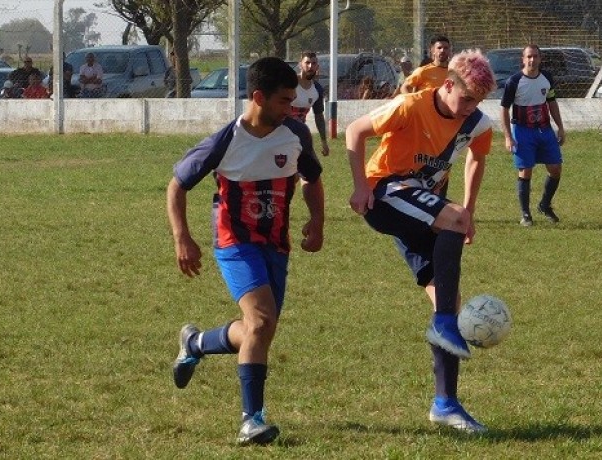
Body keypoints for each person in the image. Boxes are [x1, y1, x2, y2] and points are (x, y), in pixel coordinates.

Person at [167, 57, 325, 446]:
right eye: (284, 102)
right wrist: (182, 238)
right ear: (258, 97)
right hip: (234, 241)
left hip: (276, 243)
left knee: (260, 328)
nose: (292, 109)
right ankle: (251, 420)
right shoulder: (226, 140)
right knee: (261, 321)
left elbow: (311, 177)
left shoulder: (295, 134)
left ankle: (196, 343)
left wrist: (317, 219)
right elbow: (176, 186)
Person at [345, 49, 496, 434]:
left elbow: (476, 160)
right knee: (448, 306)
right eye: (465, 99)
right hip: (386, 192)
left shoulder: (477, 122)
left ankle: (445, 403)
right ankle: (445, 325)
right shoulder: (410, 106)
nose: (469, 109)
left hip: (422, 210)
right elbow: (355, 131)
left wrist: (470, 211)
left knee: (447, 296)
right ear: (448, 85)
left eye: (476, 102)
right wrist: (361, 187)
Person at [500, 45, 566, 226]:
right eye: (528, 57)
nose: (532, 60)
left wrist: (560, 127)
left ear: (540, 58)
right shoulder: (514, 81)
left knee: (555, 169)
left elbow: (552, 102)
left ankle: (544, 205)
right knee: (525, 170)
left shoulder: (547, 78)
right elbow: (504, 109)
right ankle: (526, 214)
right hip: (522, 131)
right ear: (523, 59)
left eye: (535, 56)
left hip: (545, 130)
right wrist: (508, 136)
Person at [290, 51, 330, 156]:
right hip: (280, 132)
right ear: (300, 65)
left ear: (317, 66)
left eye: (313, 63)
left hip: (299, 134)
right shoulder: (289, 84)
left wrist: (324, 142)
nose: (310, 66)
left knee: (313, 168)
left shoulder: (317, 89)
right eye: (307, 63)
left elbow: (319, 116)